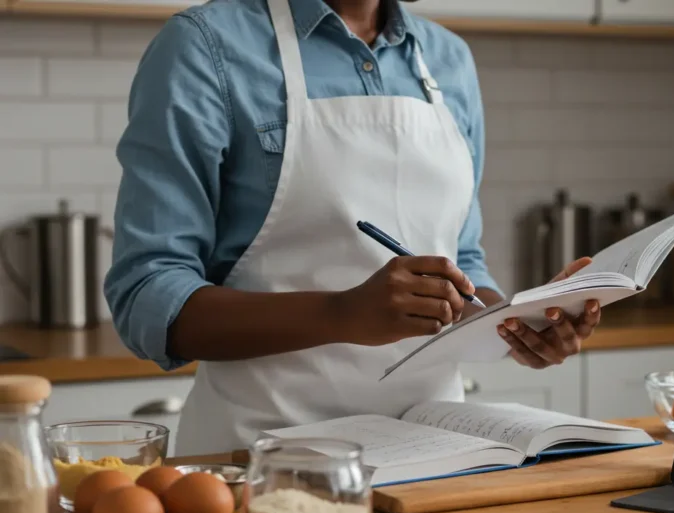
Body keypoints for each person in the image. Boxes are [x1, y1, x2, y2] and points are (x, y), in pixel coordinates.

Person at [104, 0, 602, 456]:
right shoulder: (205, 45)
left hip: (434, 454)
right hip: (261, 458)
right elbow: (148, 297)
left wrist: (520, 325)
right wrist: (341, 313)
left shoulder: (448, 58)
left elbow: (461, 260)